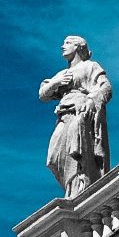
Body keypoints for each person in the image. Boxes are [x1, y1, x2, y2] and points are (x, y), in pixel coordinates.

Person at [39, 35, 112, 198]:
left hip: (80, 113)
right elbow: (43, 94)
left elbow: (106, 88)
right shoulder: (63, 73)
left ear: (79, 47)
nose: (62, 46)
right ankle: (71, 186)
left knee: (77, 151)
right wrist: (56, 82)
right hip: (63, 113)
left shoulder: (90, 66)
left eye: (67, 43)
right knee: (53, 157)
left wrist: (91, 101)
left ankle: (79, 187)